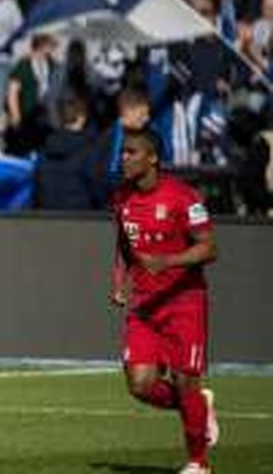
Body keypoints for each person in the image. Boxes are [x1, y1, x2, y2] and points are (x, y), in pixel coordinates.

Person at [110, 130, 220, 474]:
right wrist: (120, 281)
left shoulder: (183, 197)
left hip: (184, 302)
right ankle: (199, 407)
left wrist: (167, 262)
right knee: (140, 385)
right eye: (123, 152)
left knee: (186, 380)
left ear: (152, 157)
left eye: (132, 152)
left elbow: (209, 248)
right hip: (144, 305)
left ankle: (198, 463)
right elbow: (124, 245)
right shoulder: (122, 197)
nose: (124, 158)